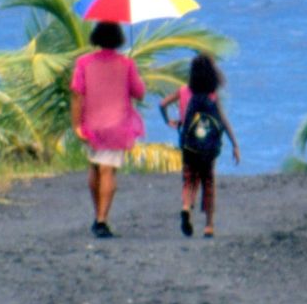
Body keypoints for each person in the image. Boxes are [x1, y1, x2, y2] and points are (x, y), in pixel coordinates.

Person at [70, 20, 145, 238]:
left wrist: (76, 124)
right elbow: (138, 92)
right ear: (119, 39)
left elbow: (77, 95)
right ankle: (101, 220)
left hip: (91, 124)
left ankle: (98, 215)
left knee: (95, 168)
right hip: (117, 124)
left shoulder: (83, 63)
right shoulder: (126, 64)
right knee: (108, 170)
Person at [159, 53, 240, 237]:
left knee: (189, 179)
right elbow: (223, 121)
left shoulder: (185, 92)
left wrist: (169, 121)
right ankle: (209, 225)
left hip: (190, 145)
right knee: (208, 182)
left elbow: (162, 104)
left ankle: (187, 207)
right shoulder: (213, 97)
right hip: (208, 147)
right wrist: (234, 144)